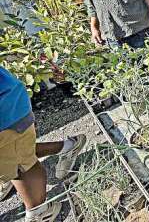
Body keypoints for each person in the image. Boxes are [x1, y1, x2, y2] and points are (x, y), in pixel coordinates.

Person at [0, 67, 86, 222]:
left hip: (6, 114)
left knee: (21, 166)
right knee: (17, 153)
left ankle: (39, 211)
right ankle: (67, 147)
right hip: (8, 109)